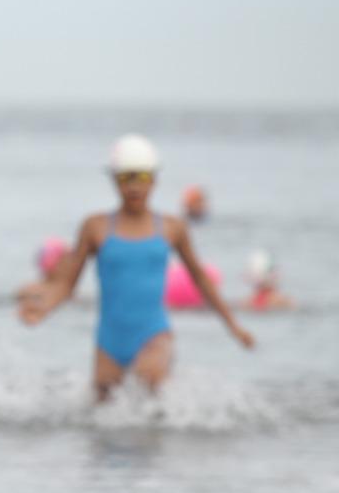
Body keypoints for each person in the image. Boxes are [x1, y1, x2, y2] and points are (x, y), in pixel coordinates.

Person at [17, 135, 253, 398]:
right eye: (125, 178)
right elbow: (66, 284)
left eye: (141, 177)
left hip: (154, 334)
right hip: (108, 342)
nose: (133, 187)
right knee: (102, 415)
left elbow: (200, 279)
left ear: (154, 179)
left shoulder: (172, 227)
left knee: (149, 384)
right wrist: (42, 309)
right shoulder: (95, 227)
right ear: (113, 179)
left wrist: (233, 326)